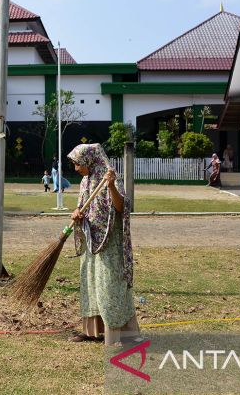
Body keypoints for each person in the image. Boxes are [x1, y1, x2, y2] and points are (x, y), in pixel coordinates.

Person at [67, 143, 140, 346]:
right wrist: (77, 212)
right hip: (91, 242)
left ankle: (120, 334)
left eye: (78, 164)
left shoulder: (110, 177)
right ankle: (91, 331)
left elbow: (121, 207)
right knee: (91, 285)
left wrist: (110, 186)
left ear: (89, 160)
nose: (76, 168)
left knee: (110, 287)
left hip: (110, 244)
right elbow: (82, 206)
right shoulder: (85, 181)